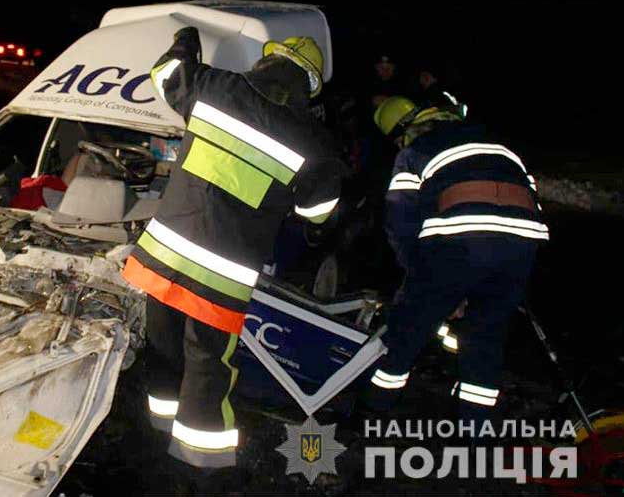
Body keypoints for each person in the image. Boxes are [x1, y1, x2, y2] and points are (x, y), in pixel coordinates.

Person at [121, 27, 342, 474]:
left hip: (162, 258)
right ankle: (201, 465)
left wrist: (187, 39)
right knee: (208, 366)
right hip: (220, 277)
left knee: (162, 346)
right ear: (309, 86)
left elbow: (166, 73)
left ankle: (154, 436)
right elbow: (318, 213)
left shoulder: (216, 87)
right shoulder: (313, 141)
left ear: (266, 61)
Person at [359, 95, 548, 423]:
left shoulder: (415, 151)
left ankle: (373, 407)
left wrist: (420, 275)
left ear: (406, 131)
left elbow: (401, 221)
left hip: (461, 240)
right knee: (486, 335)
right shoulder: (496, 146)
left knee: (411, 322)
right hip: (524, 241)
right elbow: (530, 198)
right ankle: (474, 429)